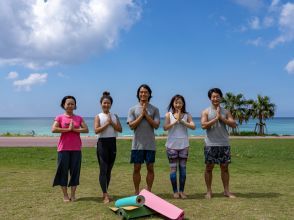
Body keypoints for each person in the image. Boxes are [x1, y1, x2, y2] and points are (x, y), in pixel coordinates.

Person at [201, 88, 237, 199]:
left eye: (217, 96)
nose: (215, 98)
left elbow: (233, 124)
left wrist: (221, 118)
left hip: (224, 143)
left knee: (225, 167)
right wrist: (215, 119)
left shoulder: (226, 111)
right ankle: (209, 191)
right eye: (213, 96)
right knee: (209, 168)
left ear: (221, 97)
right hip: (210, 144)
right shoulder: (206, 111)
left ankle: (226, 191)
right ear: (210, 98)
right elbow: (203, 125)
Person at [52, 95, 89, 202]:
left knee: (75, 172)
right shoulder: (59, 117)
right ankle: (65, 195)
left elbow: (86, 129)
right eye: (68, 103)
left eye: (72, 103)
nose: (70, 105)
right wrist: (68, 129)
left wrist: (75, 130)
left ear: (75, 105)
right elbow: (53, 129)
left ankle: (73, 195)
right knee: (63, 172)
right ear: (64, 105)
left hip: (76, 149)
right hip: (63, 149)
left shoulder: (79, 118)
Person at [127, 84, 160, 195]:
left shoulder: (155, 109)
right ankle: (137, 192)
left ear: (149, 94)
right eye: (141, 92)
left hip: (150, 144)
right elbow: (131, 126)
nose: (143, 94)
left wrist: (147, 115)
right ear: (138, 94)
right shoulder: (132, 109)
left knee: (150, 168)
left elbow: (156, 125)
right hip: (137, 145)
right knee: (136, 168)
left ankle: (149, 191)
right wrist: (142, 115)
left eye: (146, 92)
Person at [163, 94, 196, 199]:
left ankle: (182, 191)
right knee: (173, 169)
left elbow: (193, 126)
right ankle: (175, 191)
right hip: (171, 146)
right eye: (176, 102)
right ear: (173, 103)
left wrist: (181, 120)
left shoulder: (187, 115)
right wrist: (175, 121)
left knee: (183, 169)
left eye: (180, 102)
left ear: (183, 104)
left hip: (184, 145)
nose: (178, 104)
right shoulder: (168, 115)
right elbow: (165, 127)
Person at [94, 91, 122, 203]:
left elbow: (120, 129)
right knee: (103, 169)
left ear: (111, 104)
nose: (106, 105)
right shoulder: (98, 116)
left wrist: (112, 123)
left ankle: (105, 192)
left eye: (108, 103)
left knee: (109, 170)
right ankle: (105, 194)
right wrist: (107, 123)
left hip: (112, 143)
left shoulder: (115, 116)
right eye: (104, 103)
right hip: (102, 144)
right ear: (101, 103)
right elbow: (96, 130)